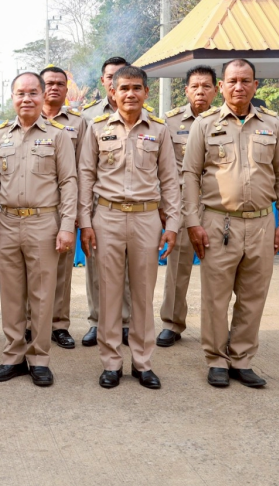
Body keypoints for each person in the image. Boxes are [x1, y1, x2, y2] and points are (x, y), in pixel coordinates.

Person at [182, 59, 279, 389]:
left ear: (255, 85)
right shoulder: (205, 124)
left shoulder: (272, 124)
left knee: (253, 296)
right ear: (221, 87)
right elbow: (190, 174)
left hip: (261, 222)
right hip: (219, 222)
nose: (239, 87)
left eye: (246, 81)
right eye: (232, 81)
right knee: (216, 297)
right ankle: (216, 359)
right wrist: (192, 221)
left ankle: (242, 359)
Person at [78, 66, 179, 389]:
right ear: (113, 92)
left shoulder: (159, 130)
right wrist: (85, 222)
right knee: (108, 293)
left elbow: (170, 179)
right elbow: (85, 177)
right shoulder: (97, 128)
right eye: (124, 88)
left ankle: (142, 363)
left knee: (143, 294)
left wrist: (172, 223)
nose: (130, 94)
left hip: (146, 218)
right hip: (106, 217)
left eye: (137, 88)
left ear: (147, 92)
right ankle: (111, 363)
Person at [0, 72, 78, 387]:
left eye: (33, 93)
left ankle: (39, 358)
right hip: (7, 223)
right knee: (11, 295)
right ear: (12, 97)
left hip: (43, 223)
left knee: (41, 295)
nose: (27, 98)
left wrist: (67, 226)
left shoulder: (58, 136)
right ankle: (13, 357)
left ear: (42, 96)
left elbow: (69, 182)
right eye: (20, 93)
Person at [157, 65, 217, 348]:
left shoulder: (225, 120)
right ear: (186, 90)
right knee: (178, 266)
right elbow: (160, 167)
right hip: (181, 204)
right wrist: (163, 205)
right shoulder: (169, 123)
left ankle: (217, 328)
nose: (200, 91)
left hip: (216, 204)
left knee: (218, 269)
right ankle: (172, 323)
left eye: (206, 86)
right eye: (195, 86)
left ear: (216, 90)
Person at [81, 57, 136, 348]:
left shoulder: (147, 116)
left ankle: (125, 323)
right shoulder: (88, 116)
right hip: (98, 205)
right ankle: (96, 321)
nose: (116, 81)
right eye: (110, 76)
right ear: (104, 81)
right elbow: (84, 166)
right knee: (97, 270)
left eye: (121, 75)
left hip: (135, 206)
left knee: (129, 270)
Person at [40, 66, 87, 349]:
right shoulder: (26, 118)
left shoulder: (78, 124)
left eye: (60, 84)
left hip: (64, 207)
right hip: (33, 207)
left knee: (62, 271)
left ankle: (59, 325)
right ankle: (31, 324)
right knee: (29, 271)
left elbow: (84, 170)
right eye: (49, 83)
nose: (55, 88)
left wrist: (79, 212)